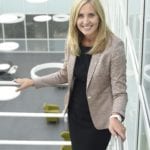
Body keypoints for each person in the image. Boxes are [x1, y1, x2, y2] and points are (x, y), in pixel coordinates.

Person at [15, 0, 128, 149]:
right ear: (74, 18)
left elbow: (120, 92)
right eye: (80, 16)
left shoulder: (114, 46)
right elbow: (64, 74)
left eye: (91, 15)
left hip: (98, 123)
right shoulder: (73, 40)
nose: (85, 21)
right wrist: (34, 82)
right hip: (75, 114)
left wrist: (115, 116)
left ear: (99, 16)